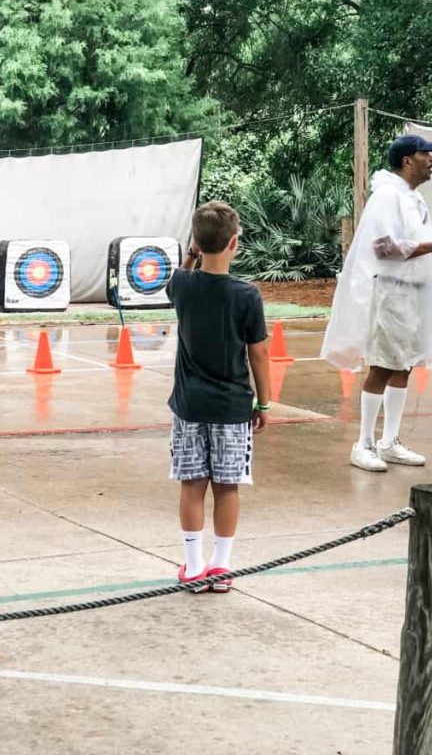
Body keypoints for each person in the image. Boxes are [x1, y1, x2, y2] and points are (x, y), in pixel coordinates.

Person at [322, 134, 432, 472]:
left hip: (410, 293)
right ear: (406, 162)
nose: (431, 160)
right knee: (383, 365)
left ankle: (390, 441)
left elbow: (417, 239)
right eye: (425, 154)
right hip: (389, 293)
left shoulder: (413, 199)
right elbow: (383, 247)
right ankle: (364, 443)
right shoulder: (387, 196)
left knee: (404, 364)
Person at [166, 201, 271, 593]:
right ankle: (221, 568)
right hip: (231, 407)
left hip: (189, 405)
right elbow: (258, 352)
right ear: (234, 244)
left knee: (192, 483)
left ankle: (193, 568)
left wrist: (193, 251)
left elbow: (176, 277)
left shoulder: (182, 285)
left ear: (196, 242)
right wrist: (264, 402)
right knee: (228, 486)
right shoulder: (246, 295)